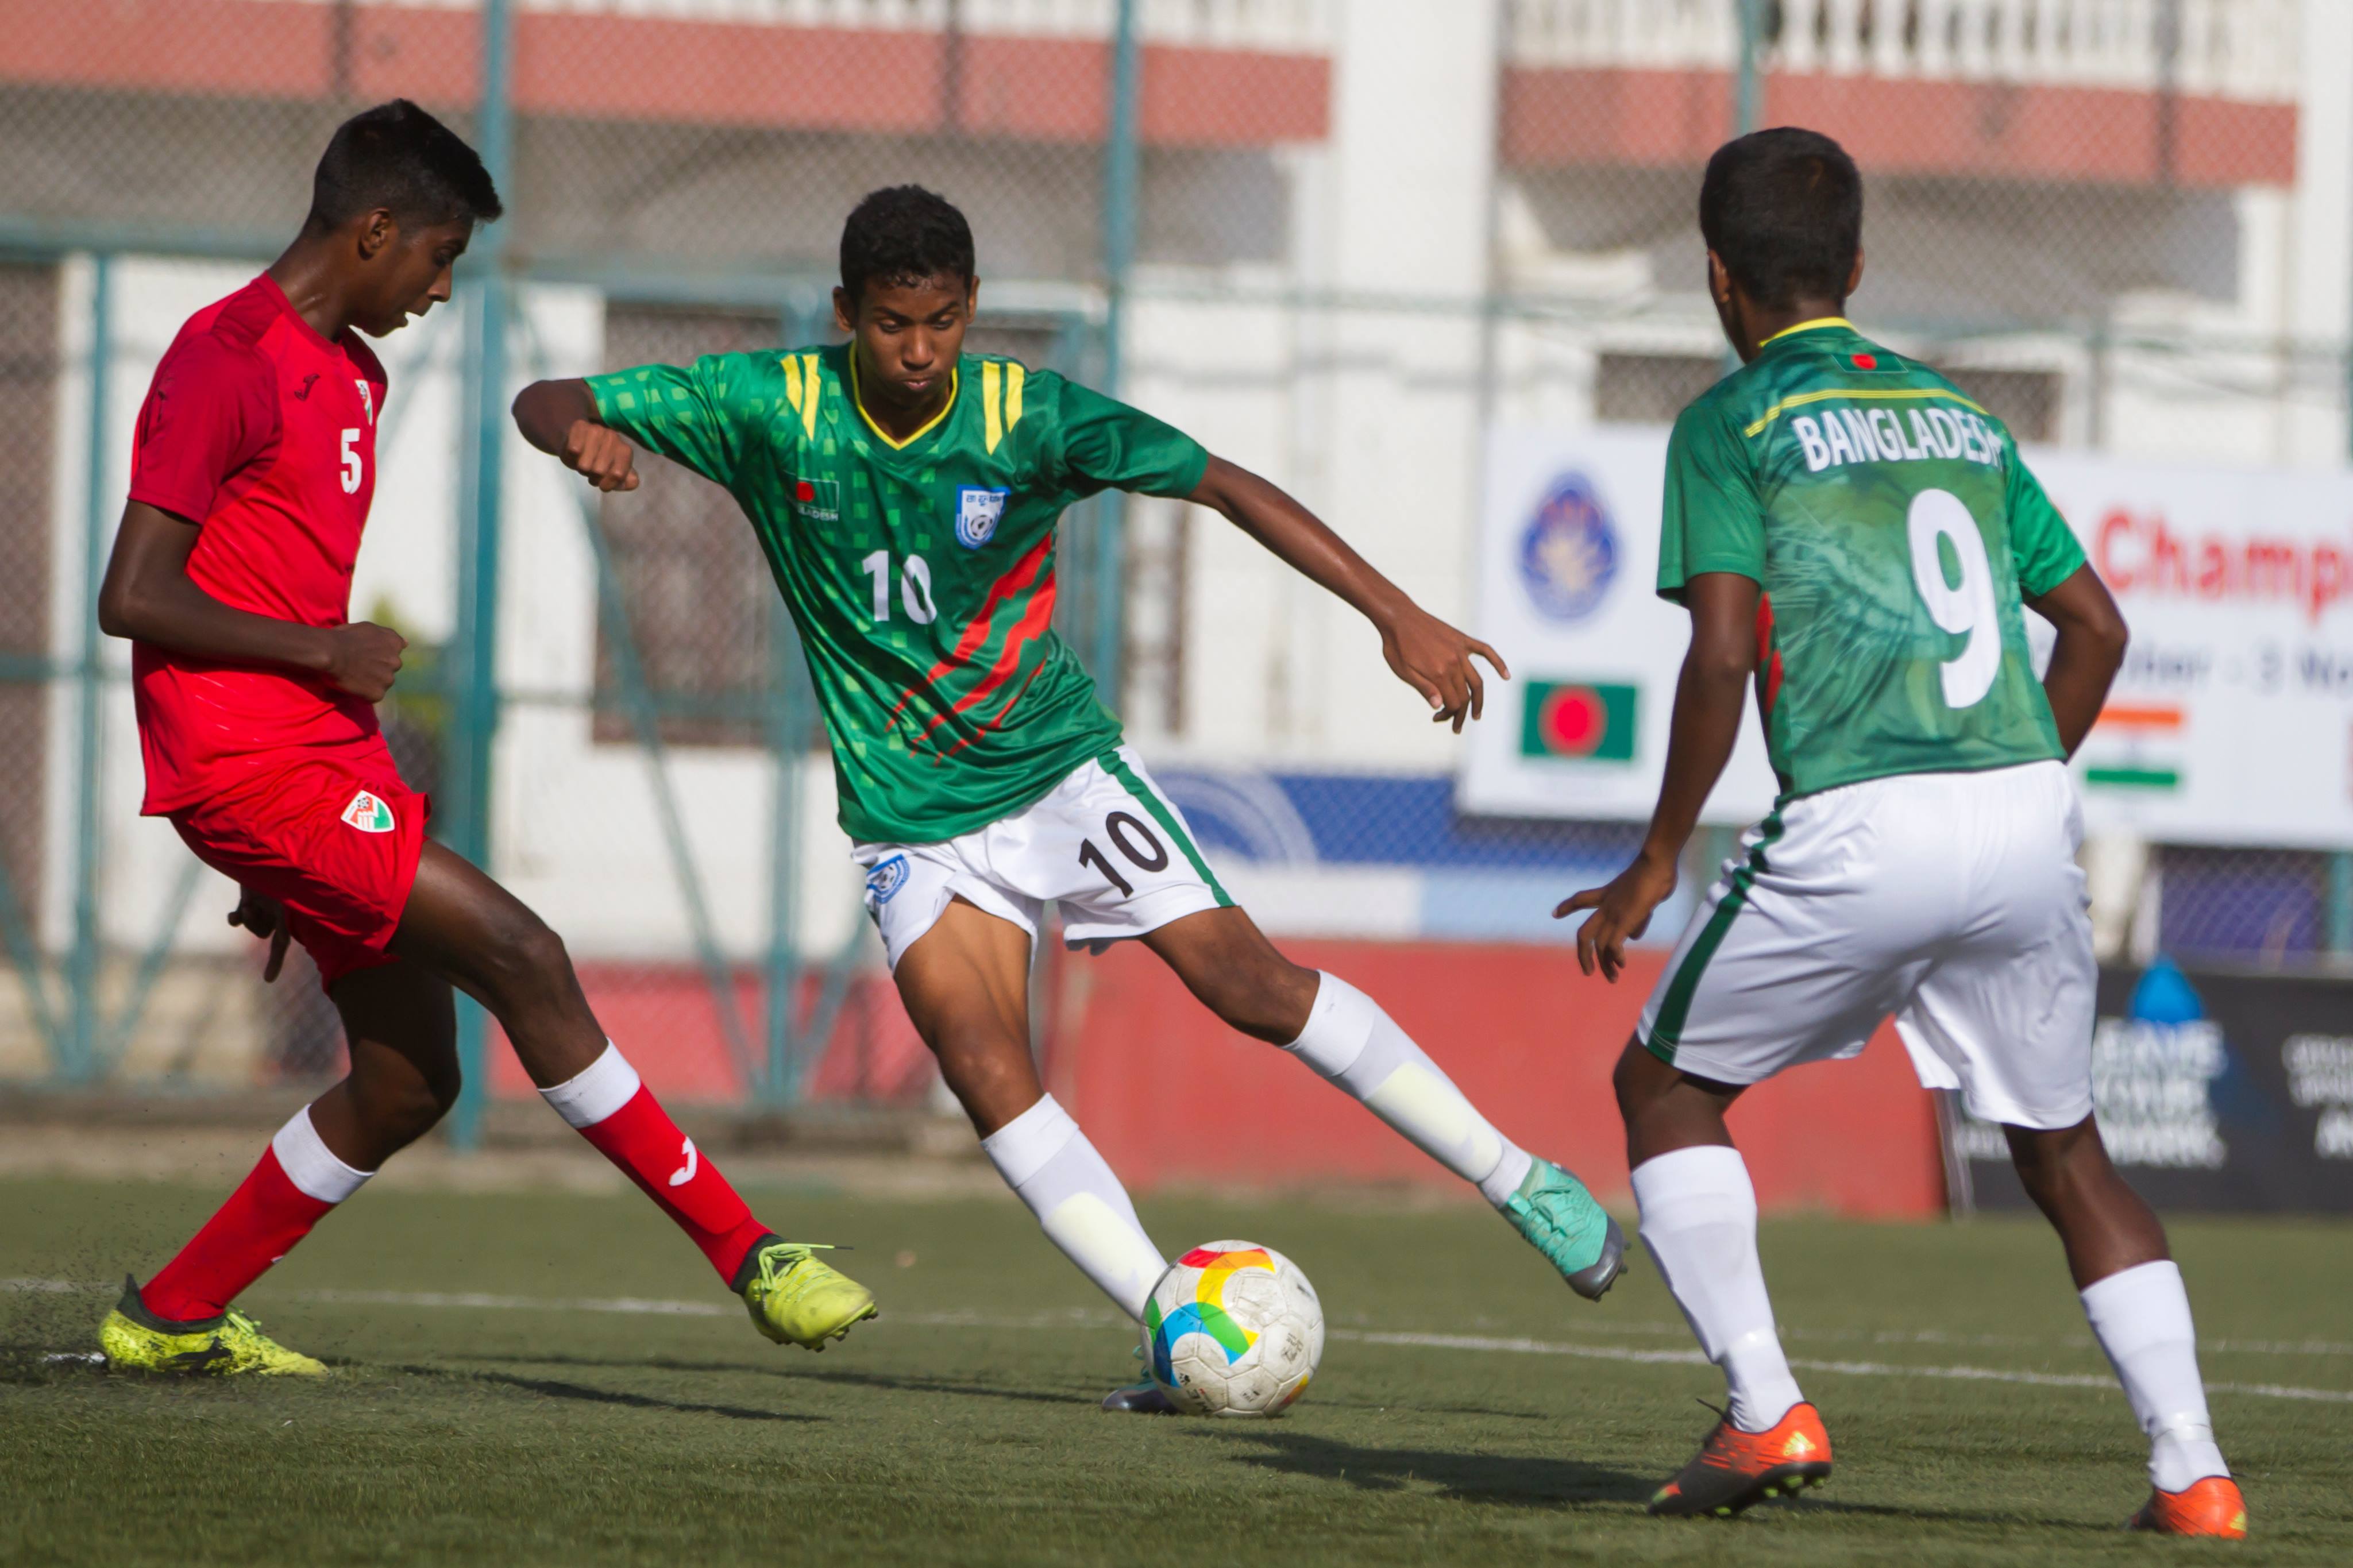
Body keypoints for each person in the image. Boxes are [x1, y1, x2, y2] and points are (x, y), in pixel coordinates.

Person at [513, 184, 1625, 1411]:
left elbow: (1223, 484)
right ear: (845, 313)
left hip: (1056, 774)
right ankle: (1174, 1327)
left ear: (973, 308)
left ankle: (1520, 1179)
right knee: (983, 1061)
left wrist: (1393, 613)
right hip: (912, 821)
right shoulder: (770, 405)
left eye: (941, 321)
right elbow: (548, 396)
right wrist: (578, 435)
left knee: (1247, 986)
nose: (919, 351)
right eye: (891, 324)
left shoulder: (1027, 417)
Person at [94, 100, 876, 1376]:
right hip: (254, 761)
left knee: (409, 1080)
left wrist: (282, 842)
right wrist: (319, 659)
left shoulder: (353, 373)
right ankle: (754, 1255)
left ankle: (170, 1316)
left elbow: (256, 572)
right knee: (526, 953)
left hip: (318, 762)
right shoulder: (223, 358)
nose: (442, 288)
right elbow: (132, 593)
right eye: (440, 256)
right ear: (374, 230)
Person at [1559, 129, 2244, 1536]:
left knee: (1663, 1089)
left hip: (1858, 823)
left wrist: (1654, 856)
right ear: (1857, 267)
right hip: (2019, 812)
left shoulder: (1731, 422)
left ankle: (1763, 1407)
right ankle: (2193, 1474)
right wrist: (2002, 782)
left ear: (1716, 277)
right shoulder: (1963, 420)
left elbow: (1720, 652)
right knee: (2065, 1154)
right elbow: (2097, 631)